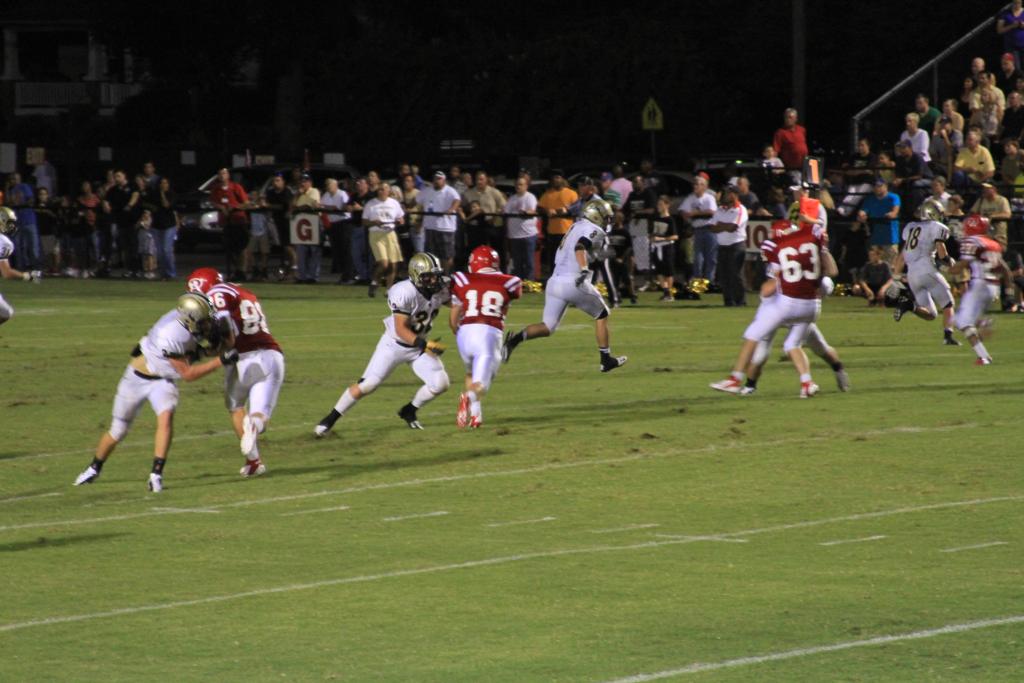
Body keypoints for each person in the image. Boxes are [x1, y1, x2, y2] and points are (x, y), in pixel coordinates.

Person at [73, 293, 234, 492]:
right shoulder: (171, 334)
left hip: (163, 380)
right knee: (118, 430)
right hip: (137, 379)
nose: (208, 324)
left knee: (165, 420)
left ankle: (156, 475)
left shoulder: (187, 324)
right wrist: (221, 360)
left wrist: (223, 345)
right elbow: (188, 373)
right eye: (205, 321)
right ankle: (94, 467)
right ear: (190, 320)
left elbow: (194, 352)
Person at [315, 252, 450, 434]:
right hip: (394, 345)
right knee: (368, 384)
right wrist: (423, 344)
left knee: (440, 383)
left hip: (418, 347)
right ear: (417, 276)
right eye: (430, 276)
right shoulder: (404, 292)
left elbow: (456, 303)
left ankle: (409, 411)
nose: (435, 280)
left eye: (436, 275)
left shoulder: (438, 291)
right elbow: (401, 329)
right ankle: (329, 419)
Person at [710, 218, 838, 398]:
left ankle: (735, 379)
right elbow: (829, 275)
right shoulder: (812, 248)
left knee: (753, 334)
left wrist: (774, 284)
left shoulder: (777, 248)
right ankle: (807, 383)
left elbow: (767, 289)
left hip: (785, 305)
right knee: (793, 345)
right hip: (810, 307)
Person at [502, 199, 627, 373]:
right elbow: (580, 246)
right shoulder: (594, 229)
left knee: (547, 327)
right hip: (573, 281)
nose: (608, 221)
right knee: (602, 314)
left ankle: (513, 341)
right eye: (605, 217)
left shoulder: (576, 225)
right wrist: (583, 270)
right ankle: (606, 359)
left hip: (554, 282)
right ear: (596, 216)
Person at [187, 268, 285, 477]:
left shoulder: (217, 294)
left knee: (236, 406)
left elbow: (227, 335)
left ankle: (253, 461)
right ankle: (253, 441)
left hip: (241, 359)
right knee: (259, 417)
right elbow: (229, 336)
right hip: (264, 357)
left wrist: (205, 349)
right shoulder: (242, 293)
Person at [449, 246, 522, 428]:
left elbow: (454, 316)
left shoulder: (462, 279)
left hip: (464, 333)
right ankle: (468, 398)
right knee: (482, 383)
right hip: (489, 333)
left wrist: (459, 332)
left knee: (470, 373)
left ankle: (476, 415)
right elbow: (509, 294)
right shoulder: (510, 281)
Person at [890, 201, 957, 344]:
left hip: (912, 275)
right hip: (927, 269)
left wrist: (895, 279)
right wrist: (948, 260)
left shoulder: (911, 228)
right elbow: (941, 251)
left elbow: (901, 257)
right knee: (948, 304)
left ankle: (910, 306)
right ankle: (948, 337)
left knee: (931, 314)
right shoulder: (936, 227)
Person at [948, 215, 1013, 364]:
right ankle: (983, 350)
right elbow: (1005, 270)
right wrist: (1008, 292)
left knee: (962, 322)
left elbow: (962, 265)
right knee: (960, 320)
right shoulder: (993, 244)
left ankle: (984, 354)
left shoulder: (972, 241)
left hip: (980, 285)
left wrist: (946, 269)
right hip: (993, 287)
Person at [0, 207, 43, 324]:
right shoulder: (3, 242)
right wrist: (28, 276)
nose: (12, 227)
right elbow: (6, 273)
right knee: (6, 313)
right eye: (9, 223)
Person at [363, 181, 405, 297]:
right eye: (379, 189)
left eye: (383, 189)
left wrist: (400, 221)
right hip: (377, 234)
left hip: (390, 234)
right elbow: (364, 221)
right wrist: (374, 222)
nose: (381, 191)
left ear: (388, 191)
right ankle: (374, 282)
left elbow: (400, 218)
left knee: (393, 263)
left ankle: (389, 289)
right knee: (384, 263)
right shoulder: (371, 204)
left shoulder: (394, 203)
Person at [709, 184, 749, 306]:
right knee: (724, 274)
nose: (724, 196)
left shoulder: (741, 209)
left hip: (736, 245)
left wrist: (720, 225)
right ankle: (728, 300)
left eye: (726, 193)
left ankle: (740, 300)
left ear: (734, 195)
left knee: (736, 274)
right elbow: (711, 227)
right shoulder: (720, 209)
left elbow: (733, 227)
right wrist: (724, 226)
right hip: (722, 245)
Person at [209, 168, 250, 281]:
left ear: (228, 175)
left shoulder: (236, 187)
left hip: (238, 221)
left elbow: (246, 203)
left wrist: (235, 207)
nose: (222, 175)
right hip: (226, 222)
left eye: (224, 173)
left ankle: (241, 271)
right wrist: (221, 207)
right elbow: (213, 202)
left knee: (241, 247)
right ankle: (236, 270)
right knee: (229, 248)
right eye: (220, 173)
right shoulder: (216, 189)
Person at [536, 170, 578, 279]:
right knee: (553, 259)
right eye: (554, 178)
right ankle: (554, 280)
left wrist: (564, 211)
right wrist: (547, 211)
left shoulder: (571, 193)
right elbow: (539, 208)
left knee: (567, 259)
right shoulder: (547, 194)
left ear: (562, 179)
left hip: (567, 232)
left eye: (558, 177)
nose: (556, 180)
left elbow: (578, 209)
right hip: (552, 232)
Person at [416, 171, 461, 272]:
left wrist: (451, 209)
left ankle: (446, 275)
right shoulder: (427, 190)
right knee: (431, 254)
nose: (437, 181)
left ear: (444, 180)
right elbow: (416, 201)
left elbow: (457, 200)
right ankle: (435, 276)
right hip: (430, 227)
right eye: (435, 178)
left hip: (445, 227)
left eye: (439, 179)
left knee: (446, 255)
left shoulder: (450, 190)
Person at [679, 174, 718, 282]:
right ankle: (697, 279)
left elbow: (712, 213)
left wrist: (695, 214)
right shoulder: (690, 198)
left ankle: (709, 280)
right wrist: (693, 217)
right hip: (697, 230)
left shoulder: (709, 198)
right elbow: (683, 212)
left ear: (705, 187)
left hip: (710, 230)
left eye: (699, 184)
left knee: (711, 257)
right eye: (695, 184)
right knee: (698, 258)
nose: (695, 186)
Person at [623, 173, 657, 291]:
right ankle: (633, 281)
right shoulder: (632, 195)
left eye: (637, 182)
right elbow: (625, 209)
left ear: (643, 183)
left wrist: (637, 213)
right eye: (633, 182)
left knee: (644, 256)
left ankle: (649, 281)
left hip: (645, 226)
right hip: (634, 227)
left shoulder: (648, 193)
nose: (634, 184)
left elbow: (651, 210)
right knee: (635, 255)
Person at [503, 175, 538, 280]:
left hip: (528, 235)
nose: (518, 186)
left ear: (526, 186)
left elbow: (532, 210)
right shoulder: (512, 198)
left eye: (521, 184)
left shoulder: (530, 197)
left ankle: (529, 284)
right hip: (514, 236)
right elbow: (505, 211)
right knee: (517, 262)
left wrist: (526, 212)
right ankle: (518, 283)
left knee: (529, 261)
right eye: (517, 184)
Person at [461, 170, 506, 251]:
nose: (479, 181)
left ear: (486, 180)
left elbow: (504, 206)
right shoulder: (468, 193)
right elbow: (460, 206)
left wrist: (495, 216)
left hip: (491, 225)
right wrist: (464, 217)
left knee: (494, 250)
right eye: (477, 179)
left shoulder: (494, 192)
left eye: (481, 179)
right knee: (476, 250)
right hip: (475, 227)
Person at [857, 179, 901, 262]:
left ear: (886, 187)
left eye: (880, 186)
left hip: (890, 239)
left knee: (890, 264)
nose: (877, 188)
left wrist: (892, 213)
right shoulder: (870, 199)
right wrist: (861, 214)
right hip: (875, 239)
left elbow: (895, 210)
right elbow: (863, 210)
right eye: (875, 186)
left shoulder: (893, 197)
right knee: (874, 264)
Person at [262, 173, 295, 279]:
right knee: (281, 247)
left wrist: (269, 206)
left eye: (278, 180)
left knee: (288, 247)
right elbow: (264, 201)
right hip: (274, 222)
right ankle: (285, 269)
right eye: (274, 180)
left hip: (286, 222)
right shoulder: (270, 192)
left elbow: (287, 205)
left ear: (283, 182)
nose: (276, 183)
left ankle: (294, 268)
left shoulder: (287, 191)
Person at [5, 172, 38, 271]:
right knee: (20, 246)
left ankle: (35, 266)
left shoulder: (24, 187)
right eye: (11, 179)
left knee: (33, 245)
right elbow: (7, 202)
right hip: (18, 222)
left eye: (14, 179)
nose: (13, 181)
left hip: (29, 220)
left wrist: (21, 204)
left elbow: (31, 199)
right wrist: (6, 189)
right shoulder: (11, 191)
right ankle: (23, 267)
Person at [292, 172, 322, 283]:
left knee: (314, 251)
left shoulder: (314, 191)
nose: (302, 183)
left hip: (312, 223)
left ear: (310, 182)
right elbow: (292, 206)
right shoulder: (298, 193)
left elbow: (309, 205)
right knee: (301, 251)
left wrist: (297, 208)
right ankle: (302, 276)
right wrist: (297, 196)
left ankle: (313, 276)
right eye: (301, 181)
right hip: (300, 225)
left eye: (305, 181)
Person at [649, 195, 679, 302]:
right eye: (658, 204)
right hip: (657, 247)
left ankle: (670, 293)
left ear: (667, 205)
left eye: (661, 204)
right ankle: (665, 291)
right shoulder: (656, 219)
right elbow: (653, 233)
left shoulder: (670, 220)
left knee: (668, 271)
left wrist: (662, 238)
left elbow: (675, 236)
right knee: (659, 271)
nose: (659, 207)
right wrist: (652, 238)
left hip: (667, 247)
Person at [344, 177, 372, 283]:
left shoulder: (370, 197)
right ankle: (363, 275)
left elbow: (373, 210)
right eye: (357, 183)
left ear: (366, 185)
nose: (358, 184)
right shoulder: (354, 196)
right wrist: (348, 208)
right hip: (356, 226)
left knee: (369, 254)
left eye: (361, 183)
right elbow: (347, 206)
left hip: (368, 228)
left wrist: (361, 208)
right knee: (355, 253)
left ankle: (369, 276)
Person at [320, 178, 350, 279]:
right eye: (326, 184)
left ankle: (347, 270)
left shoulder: (342, 194)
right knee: (336, 247)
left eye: (329, 184)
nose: (327, 186)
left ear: (335, 185)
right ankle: (339, 268)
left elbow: (343, 208)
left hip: (343, 222)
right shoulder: (326, 195)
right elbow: (322, 207)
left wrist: (326, 207)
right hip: (332, 223)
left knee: (344, 247)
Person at [151, 177, 178, 280]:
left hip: (169, 225)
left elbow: (167, 205)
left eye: (165, 183)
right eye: (162, 183)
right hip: (157, 226)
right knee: (160, 252)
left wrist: (162, 194)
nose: (163, 185)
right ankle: (163, 273)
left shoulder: (172, 194)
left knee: (167, 250)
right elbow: (150, 207)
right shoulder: (154, 195)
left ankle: (171, 273)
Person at [772, 108, 809, 180]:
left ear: (796, 119)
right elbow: (776, 150)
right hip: (791, 168)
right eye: (786, 117)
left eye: (790, 117)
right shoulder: (780, 132)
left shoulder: (802, 129)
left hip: (804, 166)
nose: (788, 119)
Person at [998, 2, 1024, 69]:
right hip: (1011, 46)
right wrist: (1012, 26)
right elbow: (999, 30)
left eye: (1019, 3)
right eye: (1015, 3)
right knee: (1016, 68)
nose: (1017, 5)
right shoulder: (1005, 13)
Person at [136, 209, 157, 280]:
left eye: (147, 213)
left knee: (150, 254)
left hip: (149, 238)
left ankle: (150, 271)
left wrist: (143, 223)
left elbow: (148, 227)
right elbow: (136, 227)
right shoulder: (140, 220)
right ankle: (145, 270)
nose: (145, 215)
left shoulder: (151, 220)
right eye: (144, 213)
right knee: (143, 255)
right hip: (142, 238)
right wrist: (140, 222)